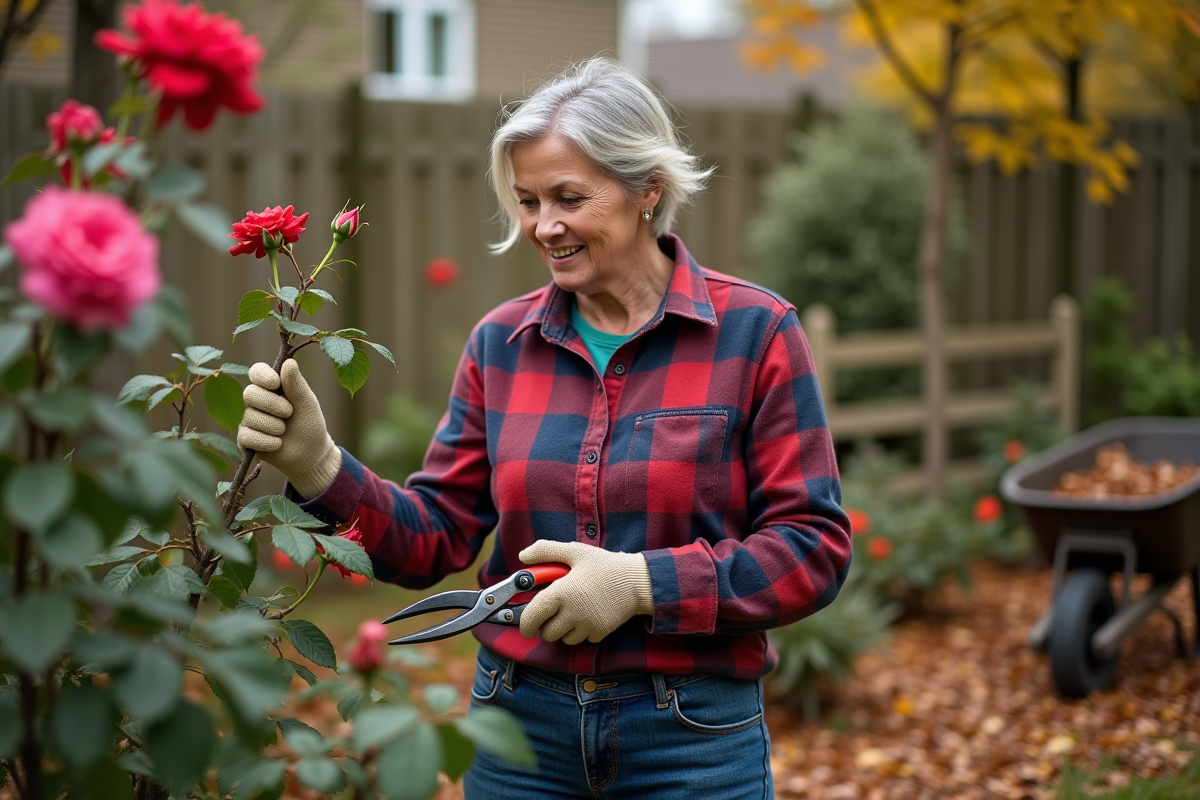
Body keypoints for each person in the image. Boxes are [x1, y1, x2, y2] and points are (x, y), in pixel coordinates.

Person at [237, 57, 852, 799]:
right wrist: (319, 467)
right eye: (528, 200)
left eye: (569, 197)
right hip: (516, 729)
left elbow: (812, 548)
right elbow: (437, 535)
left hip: (690, 736)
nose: (543, 226)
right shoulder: (501, 343)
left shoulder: (755, 332)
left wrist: (641, 584)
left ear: (647, 190)